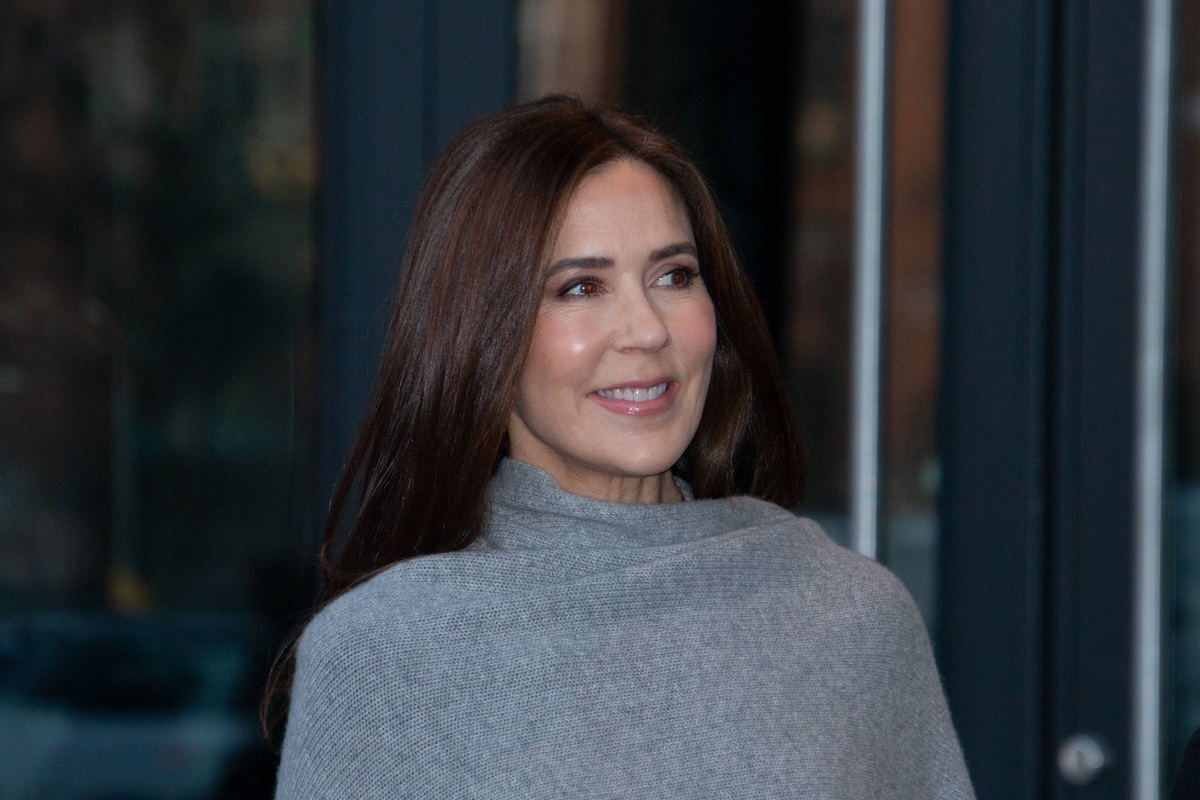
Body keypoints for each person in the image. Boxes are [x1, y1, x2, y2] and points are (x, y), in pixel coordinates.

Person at [270, 95, 975, 799]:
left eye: (674, 276)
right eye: (581, 287)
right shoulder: (383, 655)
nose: (646, 330)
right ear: (482, 332)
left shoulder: (851, 617)